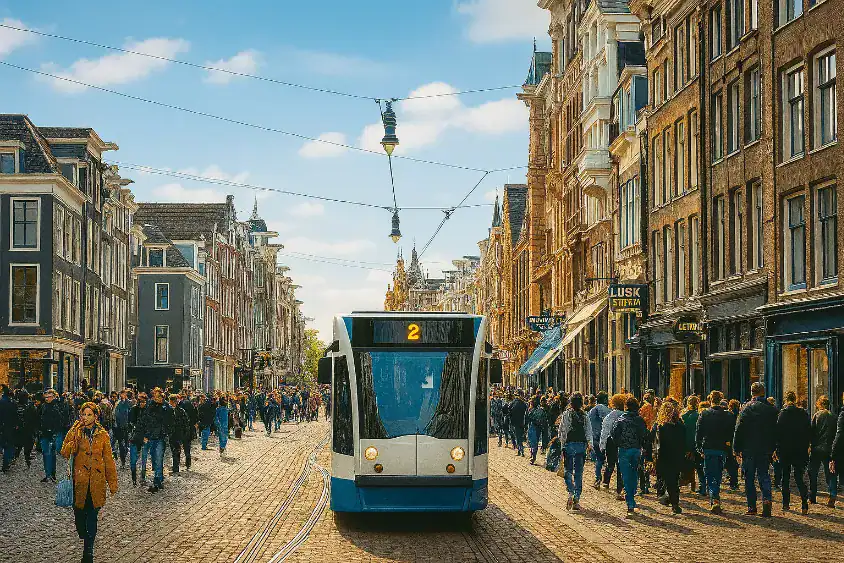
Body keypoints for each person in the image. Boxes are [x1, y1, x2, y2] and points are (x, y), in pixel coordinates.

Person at [60, 402, 118, 563]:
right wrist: (74, 443)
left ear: (96, 416)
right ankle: (84, 535)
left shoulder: (103, 435)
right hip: (79, 481)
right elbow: (64, 451)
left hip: (96, 482)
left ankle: (88, 552)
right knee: (79, 516)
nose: (85, 418)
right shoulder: (75, 430)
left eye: (89, 415)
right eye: (83, 414)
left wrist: (112, 482)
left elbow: (108, 460)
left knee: (92, 516)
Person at [734, 381, 779, 517]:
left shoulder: (746, 408)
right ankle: (766, 501)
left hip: (748, 448)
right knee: (764, 476)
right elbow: (776, 431)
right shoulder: (771, 409)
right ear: (763, 392)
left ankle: (752, 506)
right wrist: (774, 447)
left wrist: (736, 448)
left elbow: (739, 429)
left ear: (751, 392)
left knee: (749, 478)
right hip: (765, 448)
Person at [695, 390, 734, 514]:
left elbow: (698, 432)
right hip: (722, 448)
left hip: (708, 448)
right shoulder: (728, 415)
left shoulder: (704, 414)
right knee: (717, 474)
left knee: (711, 475)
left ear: (710, 400)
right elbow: (731, 433)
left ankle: (715, 499)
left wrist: (699, 447)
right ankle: (715, 497)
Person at [611, 395, 648, 517]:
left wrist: (619, 444)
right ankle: (632, 498)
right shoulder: (640, 420)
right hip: (636, 450)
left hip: (624, 450)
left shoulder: (620, 420)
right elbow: (644, 435)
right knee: (634, 475)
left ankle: (630, 503)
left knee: (626, 477)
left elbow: (613, 435)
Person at [776, 390, 811, 514]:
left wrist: (776, 448)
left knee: (785, 477)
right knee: (799, 477)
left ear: (786, 400)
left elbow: (778, 433)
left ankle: (786, 504)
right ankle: (804, 504)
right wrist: (807, 446)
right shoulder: (803, 414)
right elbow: (808, 432)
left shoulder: (783, 414)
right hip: (800, 450)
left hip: (785, 450)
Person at [558, 392, 592, 510]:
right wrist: (589, 444)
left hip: (569, 444)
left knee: (568, 470)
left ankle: (571, 492)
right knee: (578, 472)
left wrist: (562, 444)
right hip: (581, 445)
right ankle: (577, 496)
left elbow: (563, 430)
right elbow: (588, 430)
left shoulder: (566, 414)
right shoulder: (585, 415)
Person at [655, 400, 686, 514]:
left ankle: (671, 500)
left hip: (665, 457)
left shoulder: (661, 426)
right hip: (677, 457)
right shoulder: (681, 426)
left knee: (668, 480)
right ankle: (673, 502)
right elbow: (684, 442)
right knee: (674, 480)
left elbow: (656, 443)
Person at [808, 395, 837, 507]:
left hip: (817, 448)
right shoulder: (833, 417)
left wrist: (810, 445)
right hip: (829, 448)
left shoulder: (817, 415)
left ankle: (812, 496)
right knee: (830, 472)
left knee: (813, 472)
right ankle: (832, 494)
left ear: (819, 404)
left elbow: (811, 432)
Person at [140, 388, 168, 493]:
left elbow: (168, 421)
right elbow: (143, 421)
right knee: (154, 458)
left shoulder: (165, 408)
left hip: (160, 437)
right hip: (150, 437)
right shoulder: (149, 407)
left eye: (159, 396)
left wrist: (166, 432)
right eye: (155, 396)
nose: (157, 398)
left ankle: (157, 480)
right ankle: (158, 477)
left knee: (159, 457)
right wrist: (144, 435)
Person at [599, 393, 626, 498]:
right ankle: (620, 488)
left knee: (610, 463)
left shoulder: (610, 415)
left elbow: (605, 431)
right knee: (620, 465)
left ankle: (606, 482)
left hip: (611, 441)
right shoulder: (624, 414)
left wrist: (602, 445)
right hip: (621, 442)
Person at [39, 389, 65, 481]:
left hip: (53, 433)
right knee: (46, 454)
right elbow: (40, 418)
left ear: (53, 397)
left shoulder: (57, 406)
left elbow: (60, 420)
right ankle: (48, 474)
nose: (47, 399)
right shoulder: (44, 406)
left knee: (50, 454)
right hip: (45, 433)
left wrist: (54, 431)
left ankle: (51, 474)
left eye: (48, 397)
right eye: (45, 397)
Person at [588, 391, 611, 489]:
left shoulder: (592, 410)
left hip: (595, 438)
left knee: (599, 459)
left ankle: (598, 479)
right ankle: (606, 480)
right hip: (606, 438)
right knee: (608, 460)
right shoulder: (607, 410)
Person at [167, 394, 191, 473]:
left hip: (178, 434)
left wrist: (184, 434)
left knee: (176, 451)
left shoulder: (180, 411)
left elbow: (185, 423)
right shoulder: (168, 410)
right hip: (173, 434)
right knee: (175, 451)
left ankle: (176, 468)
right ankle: (176, 467)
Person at [831, 392, 844, 508]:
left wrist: (833, 454)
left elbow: (839, 435)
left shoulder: (842, 415)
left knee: (834, 472)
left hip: (841, 451)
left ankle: (833, 495)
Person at [527, 396, 549, 465]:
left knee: (533, 443)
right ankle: (533, 455)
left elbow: (528, 418)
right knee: (533, 443)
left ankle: (533, 456)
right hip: (537, 428)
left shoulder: (532, 410)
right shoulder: (540, 410)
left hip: (533, 427)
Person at [112, 390, 132, 469]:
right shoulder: (118, 403)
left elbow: (131, 414)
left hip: (127, 427)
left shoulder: (129, 403)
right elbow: (115, 414)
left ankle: (124, 455)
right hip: (119, 427)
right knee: (121, 444)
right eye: (121, 394)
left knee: (126, 444)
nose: (121, 395)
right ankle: (122, 461)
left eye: (123, 394)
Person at [0, 385, 16, 473]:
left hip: (1, 427)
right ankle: (6, 464)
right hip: (9, 428)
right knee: (8, 446)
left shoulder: (1, 402)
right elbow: (15, 416)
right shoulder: (12, 403)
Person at [509, 391, 528, 457]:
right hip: (521, 422)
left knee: (518, 437)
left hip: (515, 423)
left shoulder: (514, 402)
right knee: (519, 437)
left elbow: (509, 411)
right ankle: (520, 450)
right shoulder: (524, 403)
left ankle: (520, 450)